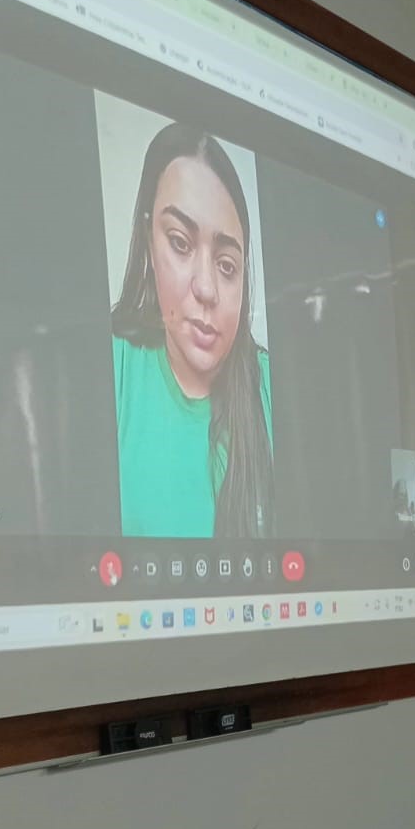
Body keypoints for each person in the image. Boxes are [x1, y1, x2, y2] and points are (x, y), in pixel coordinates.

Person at [112, 124, 274, 540]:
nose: (206, 288)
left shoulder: (273, 388)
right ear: (150, 243)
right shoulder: (112, 365)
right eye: (181, 243)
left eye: (227, 265)